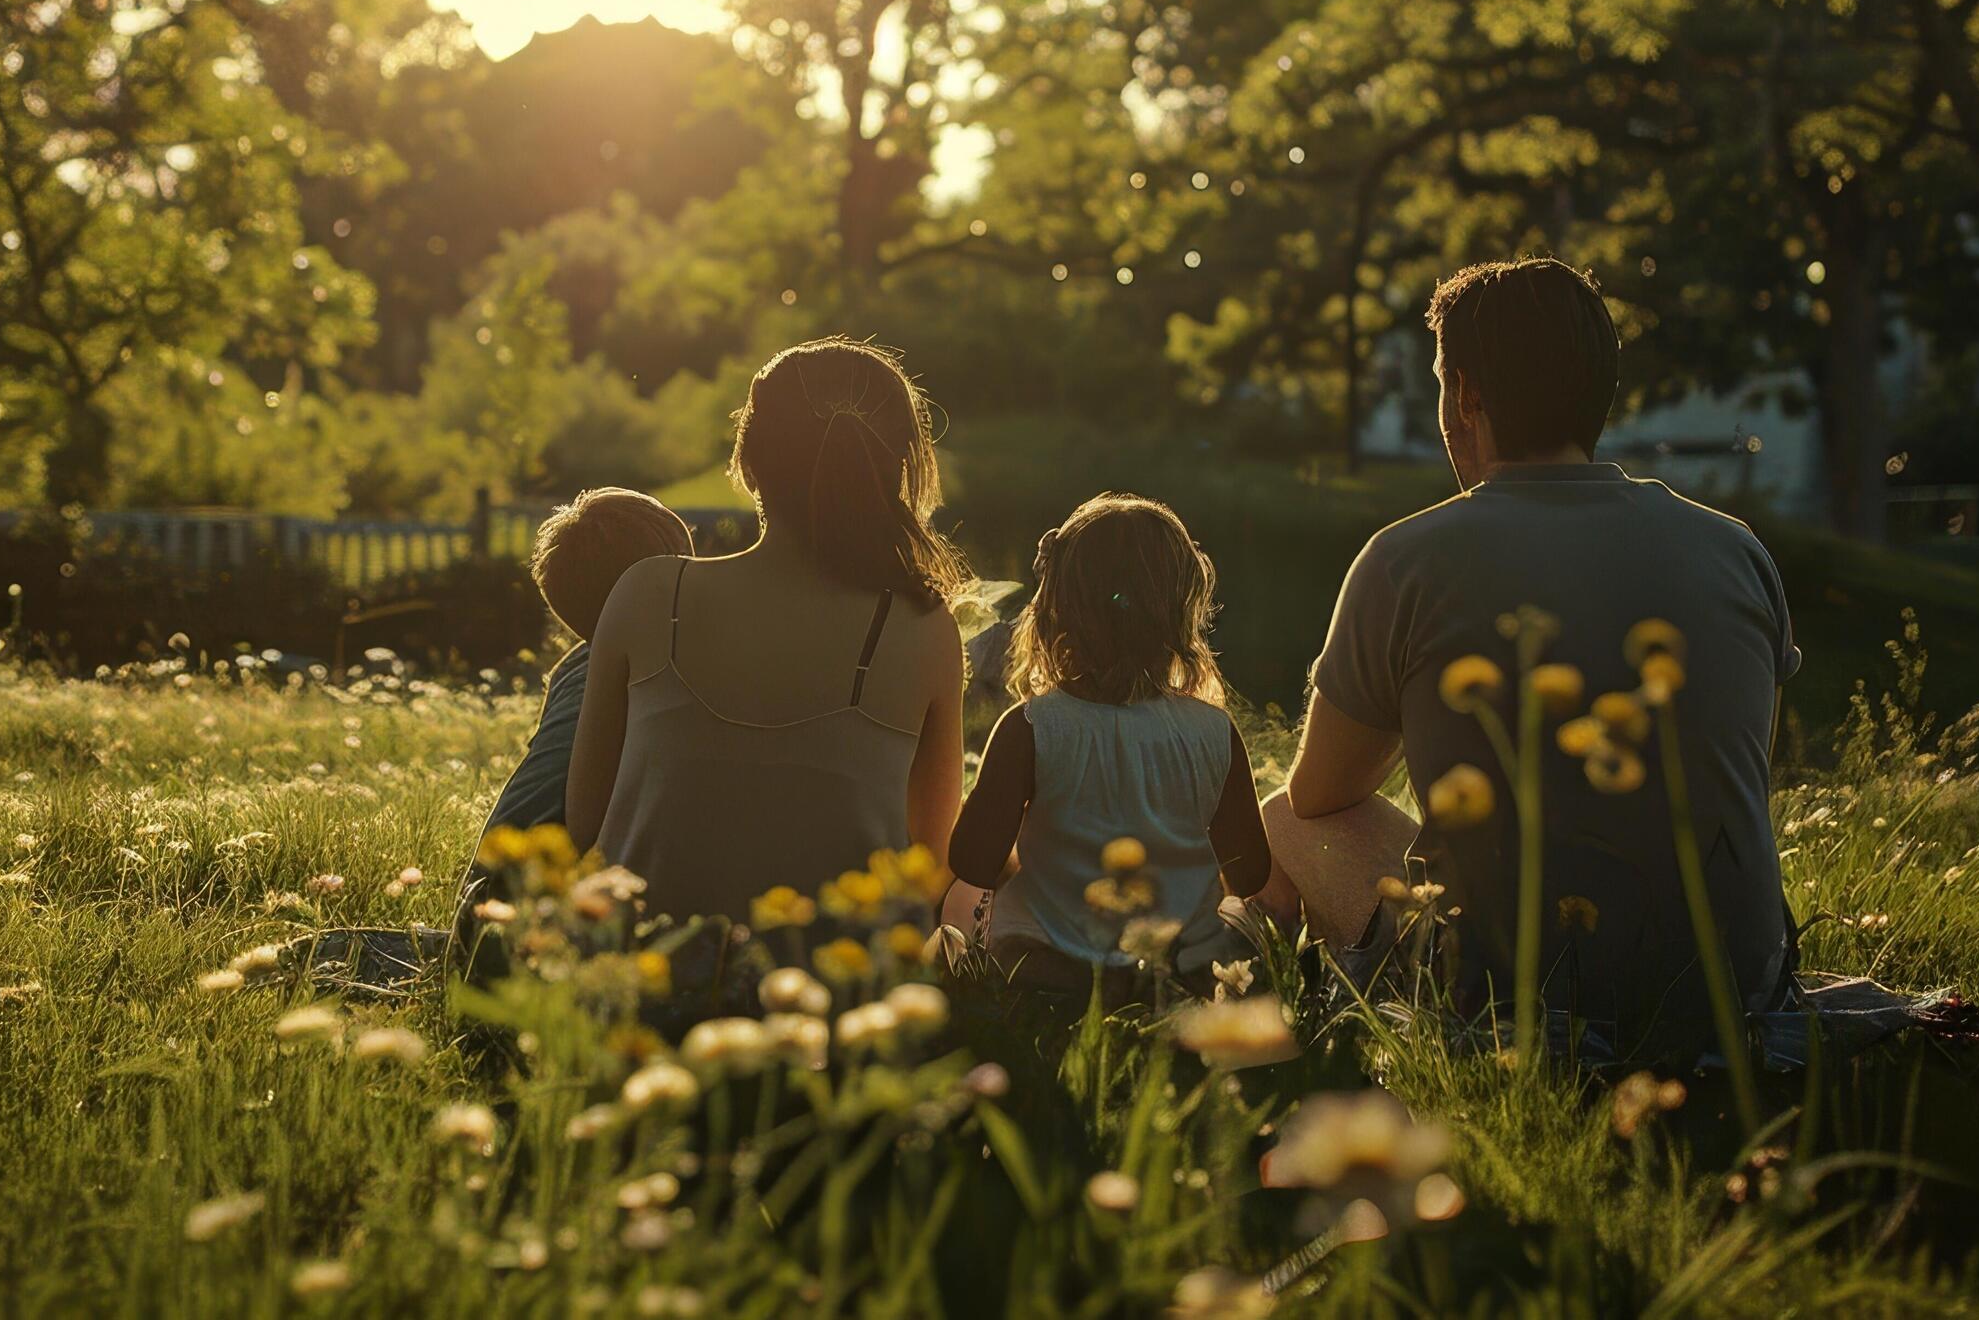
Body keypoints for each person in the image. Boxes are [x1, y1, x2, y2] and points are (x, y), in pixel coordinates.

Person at [1257, 257, 1800, 1058]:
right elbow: (1742, 765)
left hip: (1502, 985)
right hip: (1731, 980)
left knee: (1279, 821)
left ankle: (1268, 1033)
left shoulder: (1406, 558)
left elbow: (1321, 793)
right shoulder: (1735, 549)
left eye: (1442, 387)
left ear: (1467, 396)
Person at [564, 340, 969, 925]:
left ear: (748, 464)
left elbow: (585, 825)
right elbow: (929, 866)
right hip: (835, 993)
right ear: (900, 473)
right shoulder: (923, 631)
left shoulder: (649, 596)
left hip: (642, 980)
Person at [943, 495, 1269, 989]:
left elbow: (971, 863)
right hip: (1178, 975)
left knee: (953, 921)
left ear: (1053, 608)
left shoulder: (1030, 727)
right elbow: (1250, 876)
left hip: (1046, 971)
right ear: (1183, 610)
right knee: (1241, 924)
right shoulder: (1214, 731)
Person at [454, 488, 693, 968]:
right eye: (690, 568)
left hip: (484, 902)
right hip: (530, 920)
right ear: (665, 583)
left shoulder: (579, 665)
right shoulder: (653, 671)